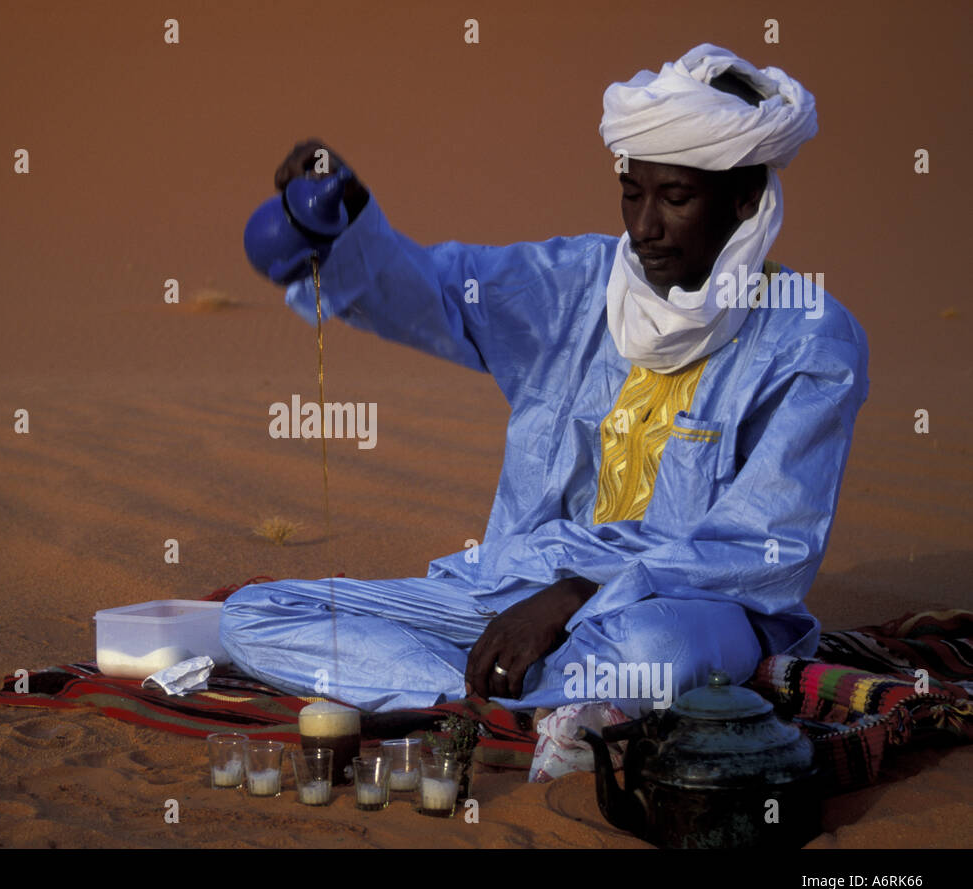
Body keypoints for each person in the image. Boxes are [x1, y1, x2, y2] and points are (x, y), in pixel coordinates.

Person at [221, 44, 869, 721]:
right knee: (256, 614)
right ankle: (504, 697)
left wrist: (577, 595)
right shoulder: (579, 283)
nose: (644, 227)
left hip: (684, 606)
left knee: (662, 650)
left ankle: (462, 687)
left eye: (675, 197)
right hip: (510, 586)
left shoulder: (811, 338)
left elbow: (765, 546)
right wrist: (351, 218)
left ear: (744, 200)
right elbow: (438, 292)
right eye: (631, 192)